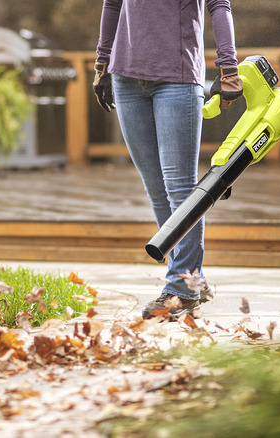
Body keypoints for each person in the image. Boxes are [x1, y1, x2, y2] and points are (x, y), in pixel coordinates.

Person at [93, 0, 243, 320]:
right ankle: (192, 279)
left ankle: (180, 287)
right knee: (155, 187)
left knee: (180, 188)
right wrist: (102, 63)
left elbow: (219, 5)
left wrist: (229, 68)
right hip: (126, 78)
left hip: (177, 77)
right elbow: (113, 5)